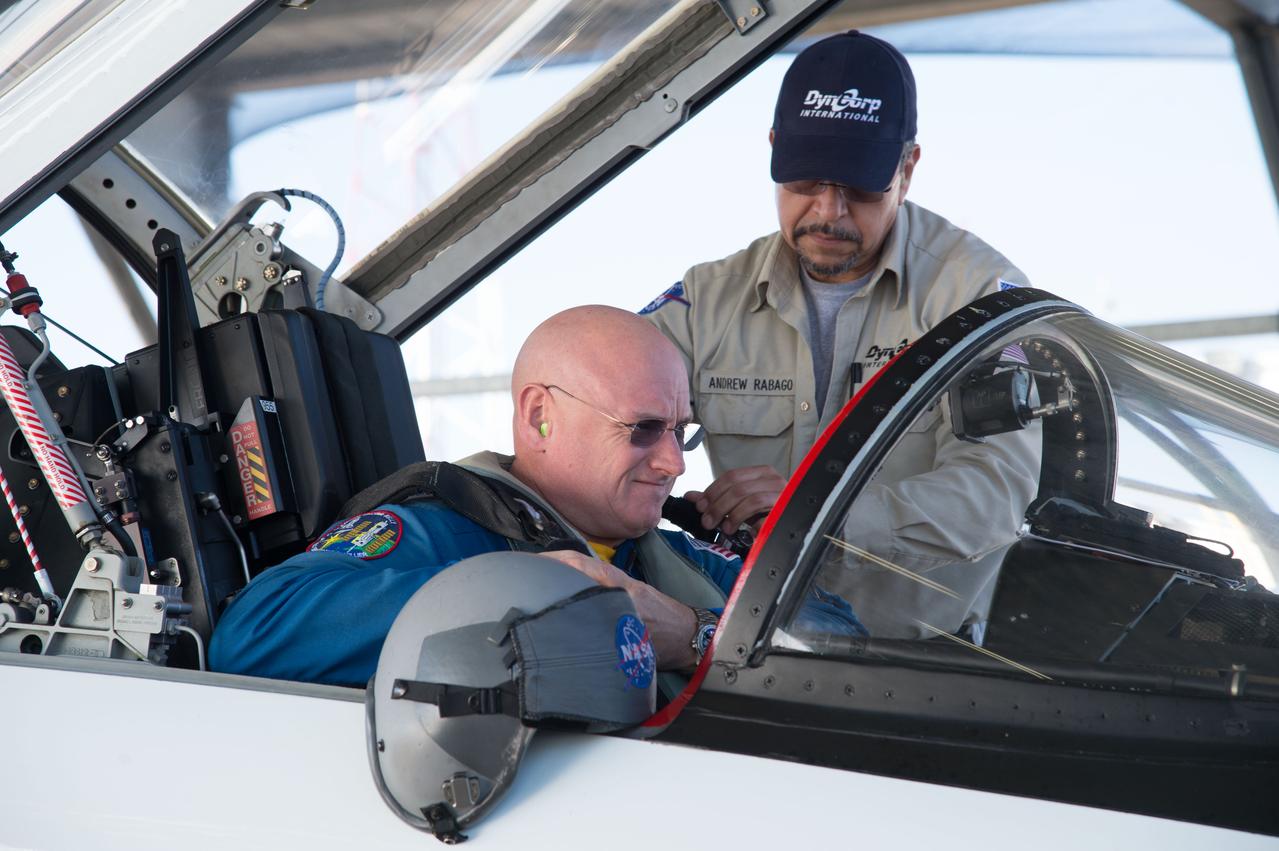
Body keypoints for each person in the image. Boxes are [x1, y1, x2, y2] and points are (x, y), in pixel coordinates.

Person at [209, 305, 863, 686]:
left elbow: (848, 649)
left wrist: (689, 634)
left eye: (678, 432)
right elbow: (255, 633)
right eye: (641, 430)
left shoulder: (674, 564)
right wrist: (531, 593)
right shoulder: (441, 531)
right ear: (541, 416)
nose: (670, 462)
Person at [642, 31, 1039, 639]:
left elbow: (996, 497)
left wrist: (820, 516)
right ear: (774, 149)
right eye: (805, 182)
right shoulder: (705, 301)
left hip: (919, 673)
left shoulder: (979, 300)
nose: (828, 212)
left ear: (907, 169)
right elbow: (595, 395)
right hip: (747, 650)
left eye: (857, 187)